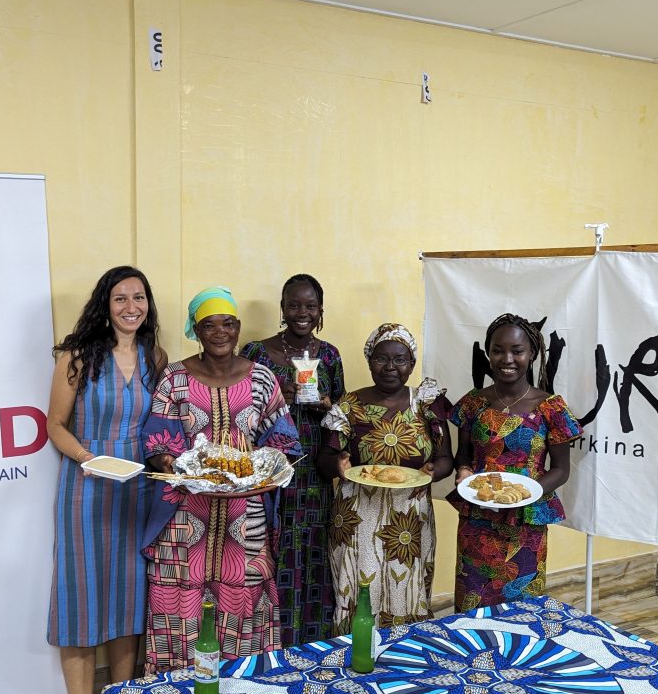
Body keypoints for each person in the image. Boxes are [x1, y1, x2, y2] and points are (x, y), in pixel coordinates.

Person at [141, 286, 301, 673]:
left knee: (243, 601)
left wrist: (268, 468)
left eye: (227, 324)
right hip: (184, 516)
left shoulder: (261, 379)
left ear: (238, 327)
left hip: (245, 519)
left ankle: (242, 688)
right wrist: (169, 458)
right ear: (196, 331)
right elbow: (158, 440)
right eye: (208, 325)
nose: (219, 332)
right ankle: (177, 690)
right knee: (178, 604)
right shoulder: (175, 379)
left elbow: (283, 439)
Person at [45, 265, 167, 694]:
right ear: (105, 304)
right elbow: (54, 426)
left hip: (138, 490)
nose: (131, 307)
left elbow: (159, 426)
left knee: (129, 598)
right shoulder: (77, 356)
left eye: (139, 297)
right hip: (86, 488)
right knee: (81, 597)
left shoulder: (156, 357)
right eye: (121, 298)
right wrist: (88, 460)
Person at [317, 323, 452, 632]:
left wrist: (434, 470)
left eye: (400, 359)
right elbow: (324, 459)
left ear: (412, 364)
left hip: (412, 519)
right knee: (359, 593)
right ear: (369, 361)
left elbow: (446, 458)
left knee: (408, 594)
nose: (390, 367)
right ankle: (353, 662)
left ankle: (403, 665)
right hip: (357, 518)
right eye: (381, 358)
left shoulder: (427, 404)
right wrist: (337, 464)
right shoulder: (349, 406)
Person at [447, 313, 582, 611]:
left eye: (517, 351)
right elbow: (463, 454)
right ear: (488, 354)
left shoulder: (550, 407)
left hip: (526, 521)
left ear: (531, 354)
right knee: (472, 601)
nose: (507, 358)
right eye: (498, 350)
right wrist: (464, 471)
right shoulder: (473, 403)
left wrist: (525, 492)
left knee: (523, 605)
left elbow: (561, 470)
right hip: (477, 516)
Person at [239, 274, 344, 645]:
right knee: (270, 549)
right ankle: (268, 641)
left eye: (310, 306)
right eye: (294, 305)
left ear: (320, 310)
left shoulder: (329, 355)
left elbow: (341, 419)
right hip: (268, 470)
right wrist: (275, 398)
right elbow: (239, 407)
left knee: (314, 553)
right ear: (282, 307)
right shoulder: (256, 352)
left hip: (314, 472)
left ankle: (312, 642)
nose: (302, 313)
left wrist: (325, 404)